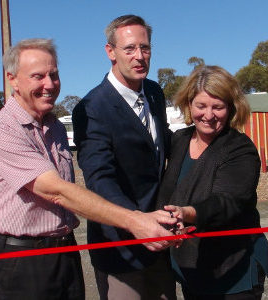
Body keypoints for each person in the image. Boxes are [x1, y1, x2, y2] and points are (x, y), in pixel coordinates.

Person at [0, 38, 176, 300]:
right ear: (12, 79)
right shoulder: (2, 129)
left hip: (64, 251)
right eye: (38, 76)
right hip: (22, 259)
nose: (49, 85)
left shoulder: (55, 126)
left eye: (54, 75)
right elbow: (57, 191)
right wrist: (134, 221)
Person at [72, 15, 175, 300]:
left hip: (161, 240)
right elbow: (98, 177)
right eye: (129, 48)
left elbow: (162, 144)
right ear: (110, 52)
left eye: (145, 48)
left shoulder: (154, 92)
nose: (139, 56)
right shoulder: (92, 107)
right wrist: (135, 221)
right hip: (119, 248)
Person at [157, 65, 268, 299]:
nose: (208, 115)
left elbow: (227, 202)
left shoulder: (240, 149)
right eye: (201, 106)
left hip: (233, 271)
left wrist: (185, 212)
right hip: (193, 269)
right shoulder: (179, 141)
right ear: (189, 105)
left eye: (217, 107)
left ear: (231, 109)